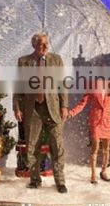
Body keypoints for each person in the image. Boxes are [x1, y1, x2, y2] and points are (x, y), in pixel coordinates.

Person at [13, 33, 69, 193]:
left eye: (46, 44)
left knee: (57, 146)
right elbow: (18, 87)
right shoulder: (24, 62)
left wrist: (64, 106)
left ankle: (60, 181)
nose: (44, 47)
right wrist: (17, 107)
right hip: (32, 109)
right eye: (40, 44)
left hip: (53, 108)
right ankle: (35, 179)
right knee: (32, 146)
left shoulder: (56, 60)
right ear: (34, 45)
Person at [68, 79, 110, 184]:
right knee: (95, 148)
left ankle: (104, 171)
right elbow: (83, 102)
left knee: (106, 149)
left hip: (108, 122)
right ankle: (93, 175)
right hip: (96, 121)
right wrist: (72, 112)